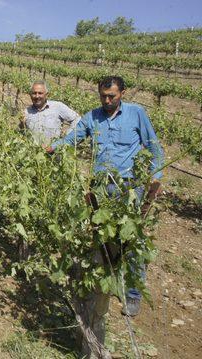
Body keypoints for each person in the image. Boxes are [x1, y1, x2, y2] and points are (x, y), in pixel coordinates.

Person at [49, 75, 164, 317]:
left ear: (123, 92)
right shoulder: (93, 116)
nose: (107, 100)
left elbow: (154, 146)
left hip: (129, 187)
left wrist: (157, 177)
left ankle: (132, 294)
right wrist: (53, 147)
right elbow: (74, 138)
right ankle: (106, 282)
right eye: (103, 96)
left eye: (112, 95)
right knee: (101, 237)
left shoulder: (136, 114)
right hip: (100, 188)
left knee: (131, 240)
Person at [22, 80, 80, 145]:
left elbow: (77, 118)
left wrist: (67, 137)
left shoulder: (58, 106)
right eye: (34, 93)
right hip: (34, 153)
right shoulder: (26, 112)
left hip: (54, 152)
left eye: (40, 93)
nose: (37, 96)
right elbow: (22, 132)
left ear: (47, 95)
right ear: (30, 95)